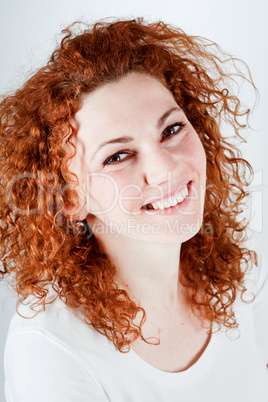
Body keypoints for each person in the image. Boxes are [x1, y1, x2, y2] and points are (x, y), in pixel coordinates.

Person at [0, 17, 267, 402]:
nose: (165, 169)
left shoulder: (245, 270)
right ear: (69, 199)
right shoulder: (48, 348)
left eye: (171, 130)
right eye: (118, 156)